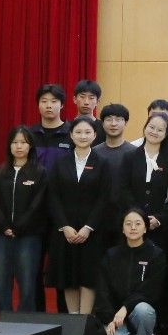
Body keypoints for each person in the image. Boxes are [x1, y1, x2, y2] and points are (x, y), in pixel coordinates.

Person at [46, 116, 113, 315]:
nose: (83, 136)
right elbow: (52, 196)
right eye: (78, 132)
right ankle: (73, 319)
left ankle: (85, 321)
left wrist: (88, 227)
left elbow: (104, 198)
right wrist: (64, 226)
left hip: (91, 232)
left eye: (87, 132)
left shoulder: (102, 163)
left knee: (88, 278)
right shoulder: (60, 162)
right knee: (68, 278)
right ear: (71, 135)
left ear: (95, 135)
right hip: (65, 232)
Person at [0, 126, 49, 314]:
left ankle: (25, 323)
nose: (19, 146)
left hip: (29, 236)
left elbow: (38, 204)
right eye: (15, 142)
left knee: (27, 282)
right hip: (2, 235)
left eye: (23, 142)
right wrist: (4, 226)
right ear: (9, 146)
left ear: (31, 146)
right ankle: (3, 320)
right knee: (1, 283)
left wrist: (20, 226)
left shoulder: (39, 173)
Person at [94, 209, 166, 335]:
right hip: (116, 317)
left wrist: (125, 307)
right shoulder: (111, 255)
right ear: (122, 228)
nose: (133, 228)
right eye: (128, 224)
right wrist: (110, 319)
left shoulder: (156, 254)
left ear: (145, 228)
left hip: (138, 313)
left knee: (143, 310)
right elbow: (103, 291)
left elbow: (151, 291)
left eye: (138, 223)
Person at [115, 111, 168, 253]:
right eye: (151, 127)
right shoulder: (129, 156)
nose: (154, 132)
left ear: (166, 134)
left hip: (160, 227)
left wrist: (159, 219)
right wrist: (137, 216)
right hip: (131, 222)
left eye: (160, 130)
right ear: (145, 127)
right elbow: (122, 189)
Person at [28, 83, 72, 167]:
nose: (48, 106)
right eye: (44, 101)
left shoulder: (72, 133)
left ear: (62, 105)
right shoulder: (30, 134)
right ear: (38, 105)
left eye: (54, 101)